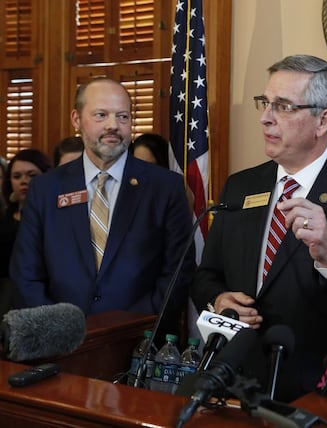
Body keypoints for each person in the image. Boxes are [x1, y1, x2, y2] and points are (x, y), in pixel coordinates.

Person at [190, 54, 327, 402]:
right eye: (265, 103)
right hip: (234, 385)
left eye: (283, 107)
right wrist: (217, 298)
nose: (265, 118)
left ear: (323, 120)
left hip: (321, 395)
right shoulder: (241, 186)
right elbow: (206, 275)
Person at [10, 77, 194, 337]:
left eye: (122, 116)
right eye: (101, 115)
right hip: (59, 347)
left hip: (139, 344)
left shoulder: (165, 188)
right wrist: (59, 332)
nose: (113, 126)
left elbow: (177, 273)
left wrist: (126, 330)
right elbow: (26, 274)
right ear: (76, 119)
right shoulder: (45, 189)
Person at [0, 149, 52, 320]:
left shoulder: (56, 217)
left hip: (45, 297)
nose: (24, 181)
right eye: (17, 176)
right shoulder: (4, 219)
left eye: (32, 175)